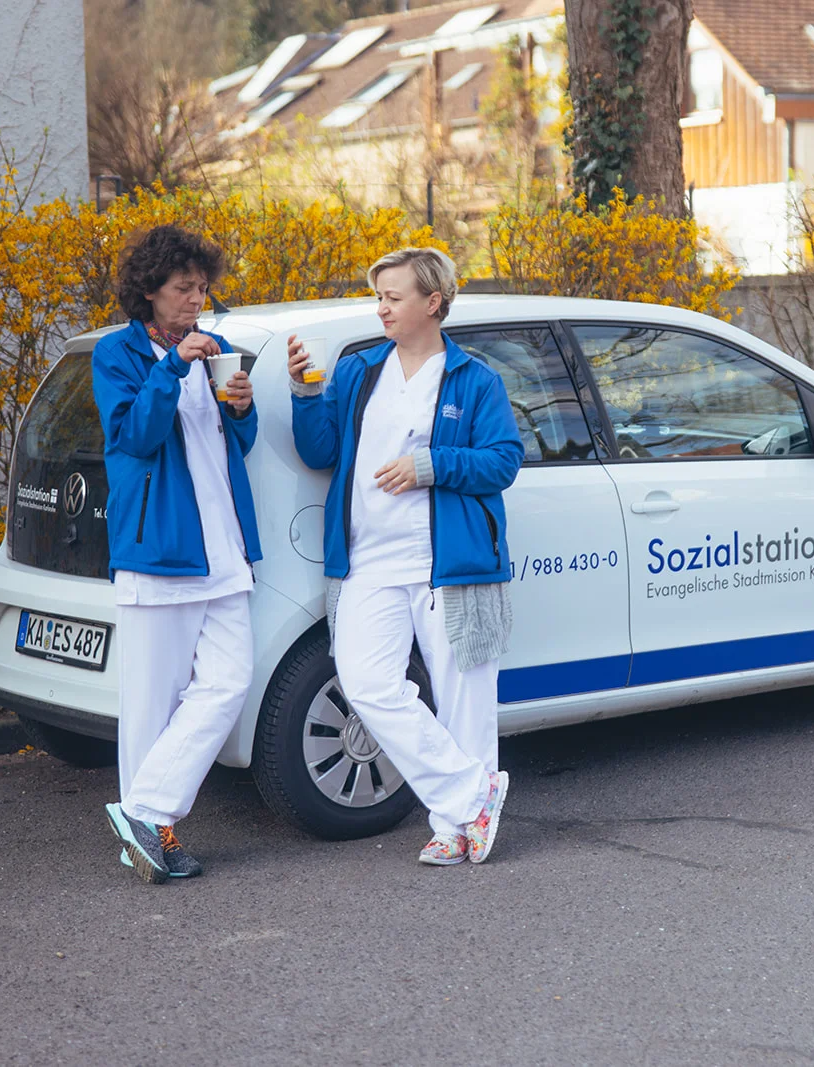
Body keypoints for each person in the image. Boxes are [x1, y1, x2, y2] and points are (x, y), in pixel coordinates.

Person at [288, 247, 521, 866]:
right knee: (366, 684)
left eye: (393, 297)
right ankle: (475, 793)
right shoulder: (362, 372)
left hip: (449, 563)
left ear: (433, 303)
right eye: (380, 297)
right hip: (368, 564)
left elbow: (503, 461)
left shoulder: (475, 380)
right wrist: (304, 391)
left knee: (463, 696)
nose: (382, 308)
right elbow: (318, 452)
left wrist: (431, 466)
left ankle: (452, 827)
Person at [91, 225, 261, 885]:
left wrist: (240, 409)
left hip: (223, 549)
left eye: (202, 287)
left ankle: (142, 811)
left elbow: (227, 449)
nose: (198, 297)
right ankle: (151, 832)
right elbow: (135, 436)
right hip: (158, 550)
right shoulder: (118, 354)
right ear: (150, 290)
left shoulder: (213, 350)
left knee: (230, 681)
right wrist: (174, 368)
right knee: (150, 705)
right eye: (184, 287)